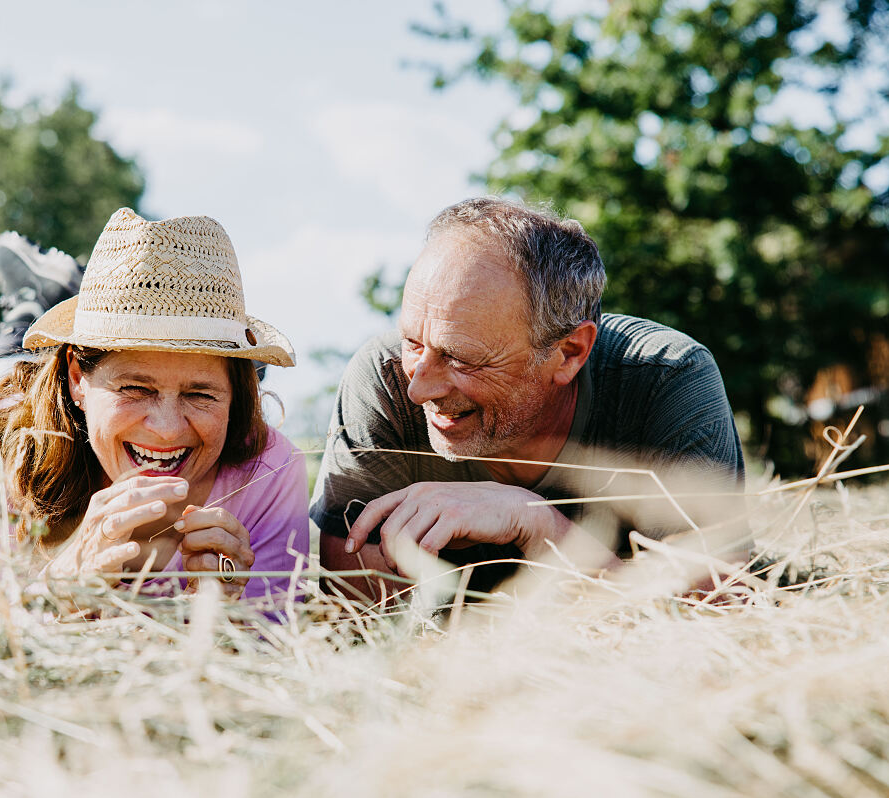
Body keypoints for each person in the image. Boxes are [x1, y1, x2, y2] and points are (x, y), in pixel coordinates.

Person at [312, 196, 748, 595]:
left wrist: (539, 526)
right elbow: (354, 609)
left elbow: (710, 614)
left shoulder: (665, 380)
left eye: (462, 358)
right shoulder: (382, 381)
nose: (418, 386)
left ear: (568, 353)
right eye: (412, 343)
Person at [0, 208, 309, 604]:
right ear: (78, 378)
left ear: (236, 393)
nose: (167, 429)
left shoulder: (269, 470)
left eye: (200, 394)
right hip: (27, 395)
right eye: (136, 388)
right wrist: (57, 593)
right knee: (6, 370)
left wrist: (220, 617)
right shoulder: (4, 443)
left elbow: (269, 641)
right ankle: (31, 306)